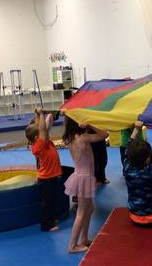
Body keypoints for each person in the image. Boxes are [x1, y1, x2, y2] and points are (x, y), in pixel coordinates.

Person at [62, 116, 108, 253]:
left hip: (82, 175)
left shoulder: (70, 138)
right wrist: (90, 124)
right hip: (84, 177)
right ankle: (72, 246)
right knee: (82, 212)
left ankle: (84, 239)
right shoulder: (83, 137)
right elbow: (105, 134)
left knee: (89, 209)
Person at [25, 108, 63, 232]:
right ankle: (46, 225)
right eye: (42, 133)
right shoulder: (38, 146)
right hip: (47, 178)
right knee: (46, 203)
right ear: (37, 137)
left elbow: (40, 128)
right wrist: (41, 114)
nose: (46, 131)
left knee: (51, 200)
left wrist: (37, 115)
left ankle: (50, 219)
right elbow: (41, 129)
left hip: (50, 177)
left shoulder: (41, 141)